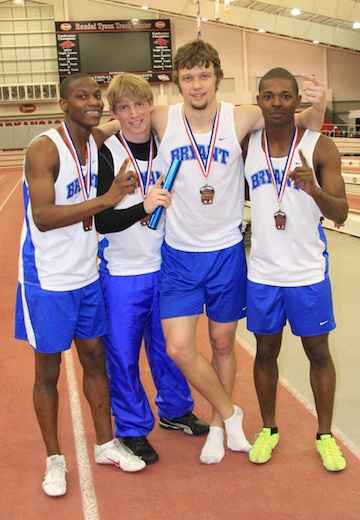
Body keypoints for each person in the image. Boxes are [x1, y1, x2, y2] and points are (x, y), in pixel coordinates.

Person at [148, 39, 327, 465]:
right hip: (179, 253)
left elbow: (300, 121)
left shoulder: (241, 116)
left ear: (218, 78)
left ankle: (215, 428)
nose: (196, 85)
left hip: (227, 252)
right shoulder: (161, 117)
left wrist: (319, 105)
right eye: (188, 77)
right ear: (177, 81)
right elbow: (117, 123)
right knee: (178, 347)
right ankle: (231, 415)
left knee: (223, 342)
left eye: (204, 75)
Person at [14, 73, 147, 498]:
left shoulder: (93, 141)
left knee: (95, 361)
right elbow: (44, 216)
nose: (93, 103)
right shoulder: (44, 148)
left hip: (86, 274)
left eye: (96, 97)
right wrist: (108, 199)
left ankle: (106, 443)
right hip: (48, 279)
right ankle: (54, 458)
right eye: (82, 96)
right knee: (48, 370)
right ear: (63, 103)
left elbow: (136, 117)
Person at [95, 73, 209, 465]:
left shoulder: (168, 143)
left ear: (150, 105)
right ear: (115, 113)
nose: (133, 114)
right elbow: (100, 220)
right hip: (122, 271)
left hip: (168, 266)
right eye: (123, 108)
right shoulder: (107, 151)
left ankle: (175, 410)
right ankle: (131, 428)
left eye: (139, 105)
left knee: (169, 349)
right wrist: (142, 208)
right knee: (123, 355)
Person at [243, 67, 348, 471]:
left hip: (306, 274)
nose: (276, 103)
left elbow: (339, 213)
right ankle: (269, 428)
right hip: (264, 274)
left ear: (296, 100)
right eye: (268, 96)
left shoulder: (320, 147)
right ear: (258, 100)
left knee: (318, 352)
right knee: (265, 352)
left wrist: (314, 190)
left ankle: (324, 435)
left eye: (285, 96)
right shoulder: (247, 144)